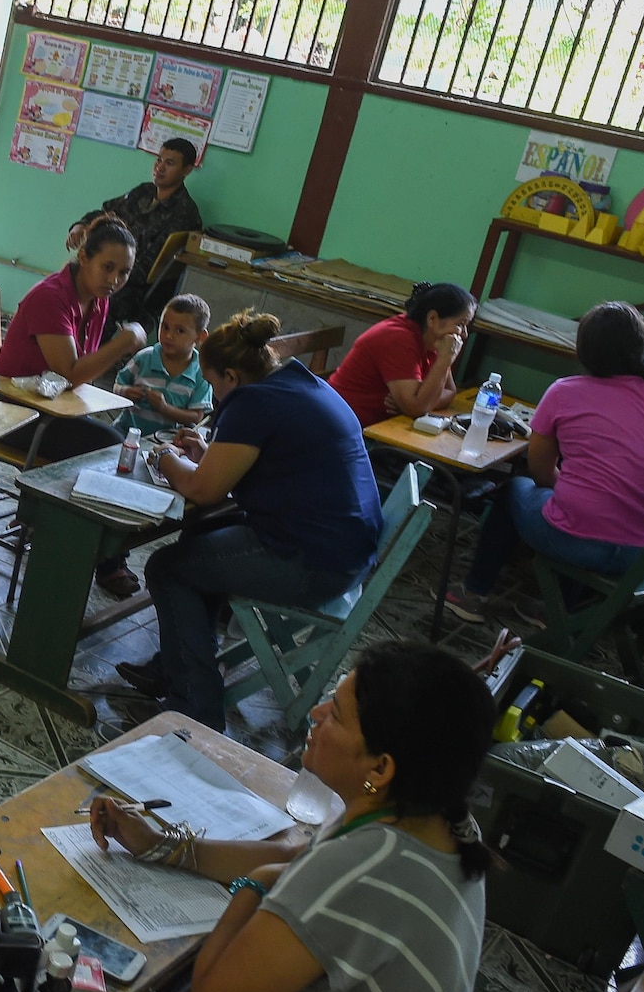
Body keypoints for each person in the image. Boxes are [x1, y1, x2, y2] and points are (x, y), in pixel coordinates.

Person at [31, 642, 496, 992]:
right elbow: (298, 858)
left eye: (337, 715)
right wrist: (167, 847)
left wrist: (253, 889)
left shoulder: (362, 870)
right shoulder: (439, 825)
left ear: (381, 767)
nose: (317, 714)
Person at [127, 311, 382, 727]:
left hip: (312, 563)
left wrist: (165, 458)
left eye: (213, 384)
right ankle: (176, 666)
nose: (215, 395)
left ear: (232, 375)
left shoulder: (254, 401)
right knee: (199, 545)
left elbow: (202, 491)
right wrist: (210, 459)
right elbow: (266, 465)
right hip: (346, 551)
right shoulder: (302, 383)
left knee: (169, 569)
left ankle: (195, 708)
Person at [446, 301, 644, 623]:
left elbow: (539, 470)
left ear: (584, 349)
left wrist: (566, 487)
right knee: (581, 505)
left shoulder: (564, 392)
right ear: (643, 344)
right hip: (642, 552)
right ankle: (557, 611)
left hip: (574, 541)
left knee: (515, 490)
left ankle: (473, 593)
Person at [0, 213, 148, 460]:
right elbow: (69, 375)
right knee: (111, 449)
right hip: (8, 410)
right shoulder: (50, 298)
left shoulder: (98, 298)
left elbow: (81, 372)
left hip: (48, 408)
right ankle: (39, 498)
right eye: (107, 267)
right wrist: (122, 344)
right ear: (83, 257)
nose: (114, 280)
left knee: (119, 446)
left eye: (124, 272)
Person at [66, 138, 203, 329]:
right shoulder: (143, 192)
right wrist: (81, 225)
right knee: (65, 283)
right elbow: (107, 212)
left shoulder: (184, 213)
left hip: (138, 289)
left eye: (169, 163)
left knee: (99, 298)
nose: (160, 168)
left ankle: (86, 353)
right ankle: (58, 346)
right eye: (159, 160)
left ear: (187, 170)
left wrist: (102, 274)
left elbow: (146, 269)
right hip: (112, 271)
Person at [328, 281, 476, 427]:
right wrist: (444, 361)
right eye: (460, 324)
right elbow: (416, 407)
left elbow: (449, 392)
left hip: (379, 426)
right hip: (340, 424)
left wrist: (412, 405)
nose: (464, 334)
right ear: (432, 318)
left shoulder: (435, 341)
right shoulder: (398, 338)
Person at [115, 293, 212, 437]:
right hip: (124, 433)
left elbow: (196, 416)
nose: (168, 335)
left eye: (180, 331)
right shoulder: (145, 357)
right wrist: (125, 392)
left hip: (165, 442)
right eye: (165, 327)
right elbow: (117, 385)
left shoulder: (202, 372)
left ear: (200, 337)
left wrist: (164, 408)